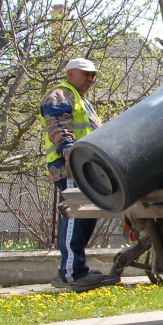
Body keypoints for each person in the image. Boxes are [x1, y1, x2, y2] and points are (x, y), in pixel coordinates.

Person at [40, 58, 119, 292]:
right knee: (76, 216)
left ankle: (77, 268)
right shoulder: (61, 95)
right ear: (71, 73)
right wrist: (70, 151)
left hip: (84, 167)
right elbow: (57, 125)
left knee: (86, 217)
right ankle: (71, 273)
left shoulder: (80, 100)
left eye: (93, 75)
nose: (91, 79)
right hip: (71, 166)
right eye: (86, 74)